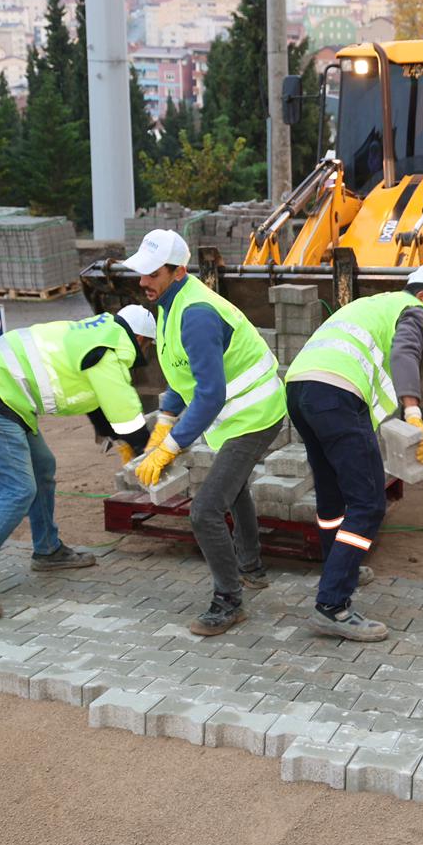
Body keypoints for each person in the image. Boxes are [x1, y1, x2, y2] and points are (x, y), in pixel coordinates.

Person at [0, 306, 158, 616]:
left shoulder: (95, 336)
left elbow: (96, 403)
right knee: (18, 490)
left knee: (42, 467)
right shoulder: (108, 353)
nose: (145, 351)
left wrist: (118, 438)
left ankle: (47, 550)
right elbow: (128, 421)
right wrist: (150, 455)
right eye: (147, 345)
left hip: (2, 396)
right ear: (139, 338)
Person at [124, 230, 288, 638]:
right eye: (141, 273)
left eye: (152, 273)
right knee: (234, 491)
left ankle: (228, 600)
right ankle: (251, 568)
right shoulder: (168, 304)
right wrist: (165, 417)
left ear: (178, 271)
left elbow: (211, 393)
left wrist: (170, 448)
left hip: (256, 413)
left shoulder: (195, 312)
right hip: (235, 415)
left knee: (205, 510)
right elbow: (184, 374)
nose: (143, 281)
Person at [283, 267, 423, 640]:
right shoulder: (412, 309)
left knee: (332, 497)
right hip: (336, 394)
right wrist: (413, 411)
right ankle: (333, 605)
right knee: (368, 504)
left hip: (300, 389)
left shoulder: (372, 304)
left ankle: (338, 566)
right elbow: (406, 351)